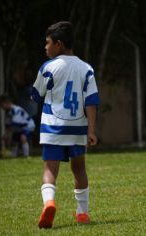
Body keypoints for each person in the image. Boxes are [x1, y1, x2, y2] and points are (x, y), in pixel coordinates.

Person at [31, 21, 100, 228]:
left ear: (58, 44)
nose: (45, 47)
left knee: (50, 170)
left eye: (47, 43)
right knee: (79, 170)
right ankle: (82, 214)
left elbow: (35, 95)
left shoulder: (48, 68)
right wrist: (91, 130)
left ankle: (49, 203)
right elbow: (92, 101)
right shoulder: (86, 69)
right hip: (77, 128)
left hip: (53, 127)